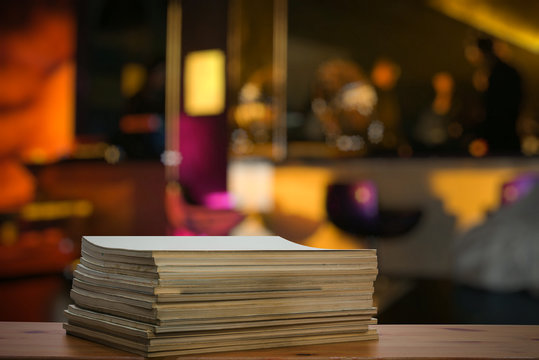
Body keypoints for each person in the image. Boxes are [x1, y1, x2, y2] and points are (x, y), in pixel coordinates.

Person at [473, 37, 523, 154]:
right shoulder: (504, 71)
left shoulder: (498, 73)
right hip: (506, 133)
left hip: (501, 135)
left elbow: (494, 107)